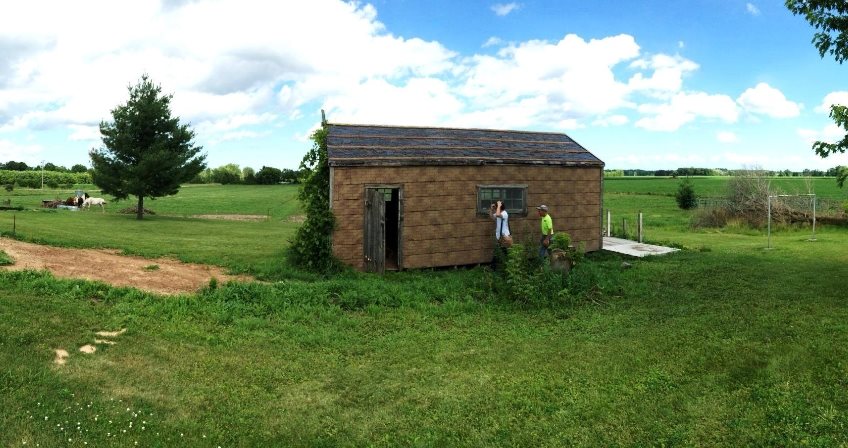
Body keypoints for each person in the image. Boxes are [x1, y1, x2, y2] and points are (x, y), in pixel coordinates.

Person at [490, 200, 510, 267]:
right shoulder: (499, 212)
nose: (496, 207)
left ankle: (494, 266)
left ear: (500, 207)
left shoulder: (504, 213)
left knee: (501, 251)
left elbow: (498, 214)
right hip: (499, 236)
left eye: (497, 206)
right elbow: (492, 217)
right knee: (502, 251)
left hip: (504, 236)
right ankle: (505, 265)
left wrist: (498, 205)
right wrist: (491, 209)